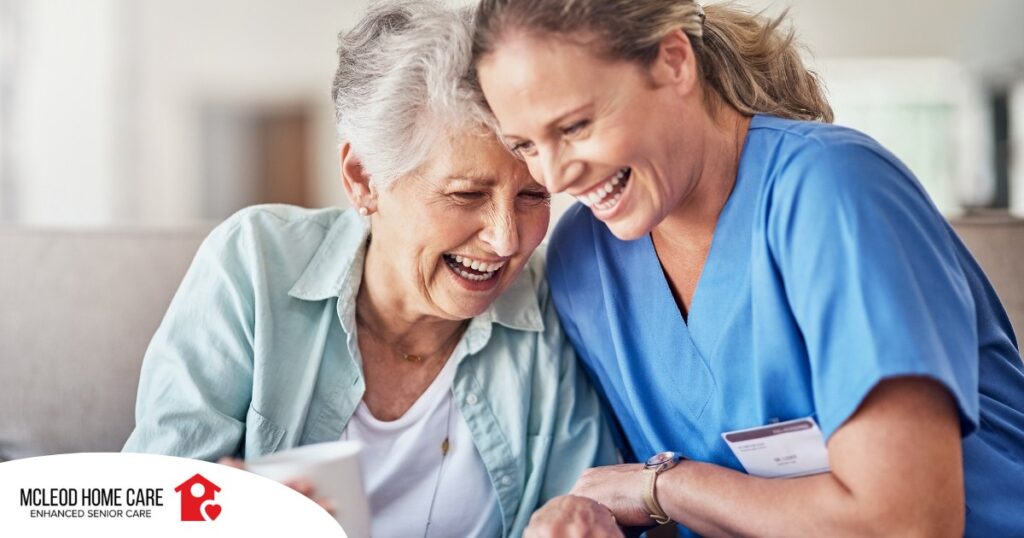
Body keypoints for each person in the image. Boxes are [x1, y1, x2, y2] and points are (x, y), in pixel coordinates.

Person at [471, 1, 1024, 536]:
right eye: (526, 145)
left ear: (674, 61)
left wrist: (662, 488)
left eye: (574, 127)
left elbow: (908, 524)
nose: (557, 176)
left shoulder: (833, 191)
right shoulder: (585, 261)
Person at [123, 1, 616, 536]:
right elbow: (148, 504)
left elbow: (588, 500)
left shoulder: (548, 299)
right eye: (466, 194)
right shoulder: (255, 264)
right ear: (363, 179)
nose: (506, 239)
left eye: (533, 195)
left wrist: (588, 517)